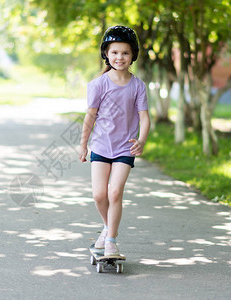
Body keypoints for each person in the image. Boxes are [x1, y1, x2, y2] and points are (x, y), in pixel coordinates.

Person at [79, 25, 150, 256]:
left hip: (124, 148)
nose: (120, 57)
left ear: (133, 56)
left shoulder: (138, 86)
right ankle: (108, 226)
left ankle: (111, 240)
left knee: (115, 192)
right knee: (99, 195)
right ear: (106, 54)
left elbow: (145, 118)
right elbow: (90, 117)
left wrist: (142, 140)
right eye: (115, 52)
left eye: (125, 53)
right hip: (101, 146)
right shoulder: (98, 84)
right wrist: (83, 145)